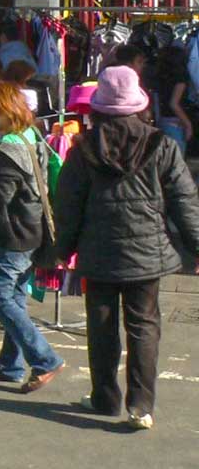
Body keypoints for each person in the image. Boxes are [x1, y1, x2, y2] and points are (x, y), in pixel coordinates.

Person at [53, 65, 199, 429]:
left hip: (98, 248)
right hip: (147, 252)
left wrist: (63, 248)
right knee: (144, 325)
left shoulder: (83, 148)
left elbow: (68, 205)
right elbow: (185, 201)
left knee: (101, 326)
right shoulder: (160, 143)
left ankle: (105, 398)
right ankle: (141, 405)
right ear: (138, 103)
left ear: (99, 106)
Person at [0, 83, 66, 391]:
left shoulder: (9, 145)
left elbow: (0, 195)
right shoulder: (33, 136)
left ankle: (45, 358)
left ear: (6, 110)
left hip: (15, 232)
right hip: (34, 227)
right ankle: (9, 365)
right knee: (16, 297)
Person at [153, 45, 194, 151]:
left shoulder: (159, 77)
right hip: (176, 124)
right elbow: (174, 104)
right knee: (176, 161)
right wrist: (188, 124)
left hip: (162, 120)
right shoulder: (181, 78)